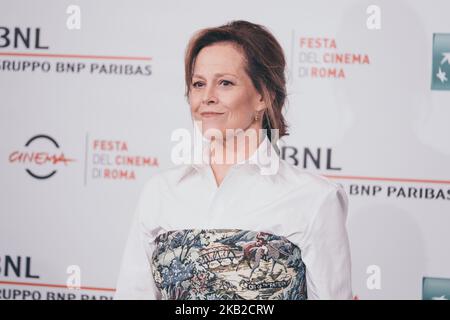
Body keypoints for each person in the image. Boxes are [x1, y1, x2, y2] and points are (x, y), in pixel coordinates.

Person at [114, 20, 352, 300]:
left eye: (225, 83)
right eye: (198, 84)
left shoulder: (315, 199)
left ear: (263, 95)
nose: (207, 98)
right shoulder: (160, 192)